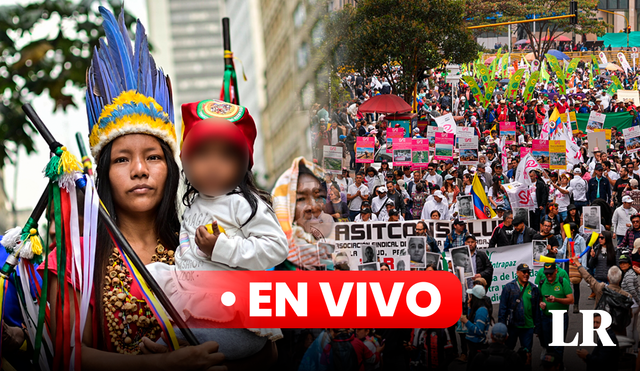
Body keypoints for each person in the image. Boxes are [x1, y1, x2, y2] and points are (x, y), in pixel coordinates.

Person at [44, 8, 262, 369]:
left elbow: (265, 351)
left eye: (153, 157)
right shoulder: (75, 259)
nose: (140, 170)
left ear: (172, 170)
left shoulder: (205, 245)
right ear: (103, 172)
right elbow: (63, 356)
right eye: (121, 160)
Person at [572, 254, 632, 336]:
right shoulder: (627, 296)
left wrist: (578, 264)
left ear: (608, 278)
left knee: (603, 347)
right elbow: (629, 315)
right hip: (620, 329)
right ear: (620, 278)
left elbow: (588, 278)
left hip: (603, 326)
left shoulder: (601, 289)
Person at [498, 263, 540, 365]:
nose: (526, 274)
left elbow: (537, 310)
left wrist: (538, 327)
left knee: (527, 354)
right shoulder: (509, 288)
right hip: (512, 326)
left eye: (528, 272)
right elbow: (502, 309)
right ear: (517, 273)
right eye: (523, 272)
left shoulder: (534, 288)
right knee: (508, 352)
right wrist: (502, 328)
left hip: (528, 327)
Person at [538, 262, 574, 362]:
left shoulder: (563, 282)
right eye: (546, 274)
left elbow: (571, 300)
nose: (548, 276)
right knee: (548, 345)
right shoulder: (541, 283)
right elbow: (539, 298)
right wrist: (541, 303)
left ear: (556, 271)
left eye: (551, 273)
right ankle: (550, 366)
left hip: (560, 318)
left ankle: (558, 366)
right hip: (546, 318)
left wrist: (556, 299)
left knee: (558, 347)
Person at [460, 285, 491, 366]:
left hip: (478, 347)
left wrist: (465, 321)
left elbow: (479, 331)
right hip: (473, 346)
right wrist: (470, 307)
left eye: (471, 295)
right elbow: (473, 320)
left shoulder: (481, 311)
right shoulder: (477, 309)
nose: (469, 297)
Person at [559, 223, 587, 312]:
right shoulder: (567, 239)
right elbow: (563, 250)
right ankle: (566, 304)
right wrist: (555, 250)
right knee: (565, 284)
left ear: (573, 230)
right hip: (568, 263)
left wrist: (583, 267)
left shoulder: (580, 239)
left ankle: (576, 305)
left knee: (576, 284)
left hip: (576, 264)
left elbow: (584, 253)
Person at [619, 253, 640, 351]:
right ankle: (635, 350)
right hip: (635, 305)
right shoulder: (631, 273)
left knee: (629, 329)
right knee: (634, 328)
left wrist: (638, 302)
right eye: (621, 263)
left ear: (629, 264)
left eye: (624, 263)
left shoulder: (628, 275)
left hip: (632, 305)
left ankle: (629, 350)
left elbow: (632, 291)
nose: (622, 265)